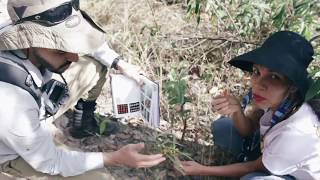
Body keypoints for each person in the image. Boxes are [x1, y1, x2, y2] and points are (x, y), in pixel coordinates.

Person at [0, 0, 165, 179]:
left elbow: (88, 43)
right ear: (27, 41)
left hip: (31, 110)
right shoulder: (11, 100)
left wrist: (120, 64)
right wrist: (115, 158)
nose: (74, 57)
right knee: (100, 178)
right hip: (10, 152)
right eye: (61, 50)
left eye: (69, 44)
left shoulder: (17, 26)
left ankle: (82, 124)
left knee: (95, 65)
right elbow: (52, 162)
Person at [180, 31, 320, 179]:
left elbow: (253, 167)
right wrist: (237, 112)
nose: (258, 84)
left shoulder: (296, 130)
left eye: (274, 77)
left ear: (293, 86)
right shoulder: (279, 100)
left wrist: (201, 170)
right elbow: (249, 131)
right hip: (270, 153)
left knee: (252, 178)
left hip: (293, 175)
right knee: (223, 127)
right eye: (257, 72)